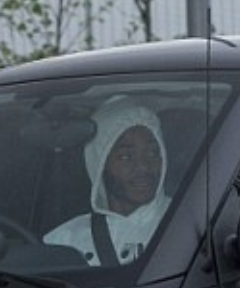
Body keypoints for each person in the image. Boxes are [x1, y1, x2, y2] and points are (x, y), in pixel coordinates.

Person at [45, 98, 170, 266]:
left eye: (153, 153)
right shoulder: (65, 240)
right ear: (100, 163)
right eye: (126, 157)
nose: (143, 167)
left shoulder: (187, 224)